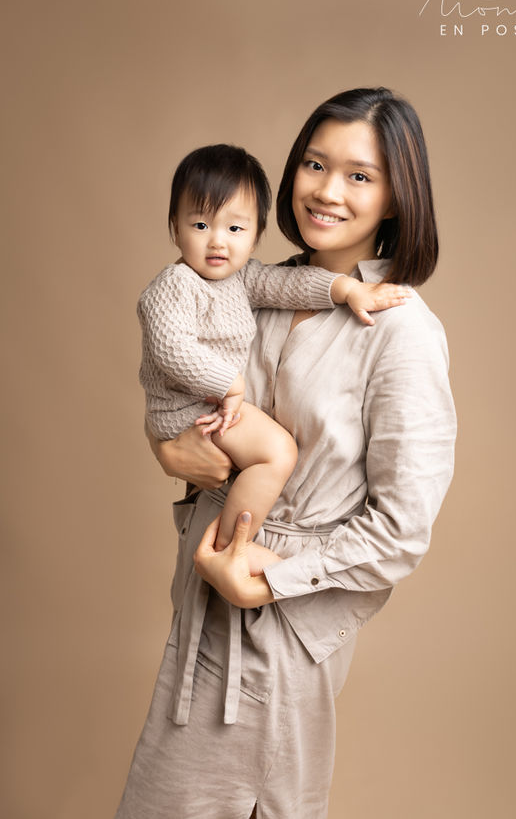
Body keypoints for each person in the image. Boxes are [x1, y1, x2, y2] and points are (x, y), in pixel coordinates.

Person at [115, 87, 457, 819]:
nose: (327, 190)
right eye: (313, 163)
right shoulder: (247, 285)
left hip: (282, 622)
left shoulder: (401, 330)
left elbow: (401, 528)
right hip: (204, 596)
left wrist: (271, 584)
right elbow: (187, 397)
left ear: (398, 196)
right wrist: (169, 452)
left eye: (359, 175)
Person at [138, 143, 411, 553]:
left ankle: (229, 542)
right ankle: (231, 549)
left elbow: (288, 285)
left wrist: (345, 288)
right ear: (175, 227)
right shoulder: (174, 286)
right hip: (186, 410)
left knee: (274, 453)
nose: (218, 242)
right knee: (278, 453)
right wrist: (230, 385)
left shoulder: (241, 278)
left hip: (211, 406)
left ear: (255, 236)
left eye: (235, 229)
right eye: (200, 226)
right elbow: (171, 350)